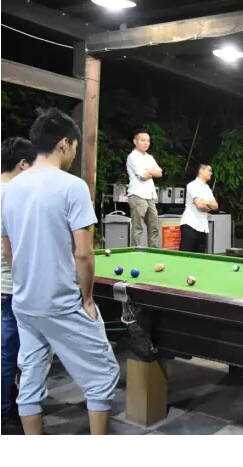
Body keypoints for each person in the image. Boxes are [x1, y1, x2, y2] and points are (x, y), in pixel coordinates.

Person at [1, 108, 120, 435]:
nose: (74, 154)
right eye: (76, 147)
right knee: (103, 376)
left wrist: (25, 284)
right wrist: (88, 298)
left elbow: (9, 251)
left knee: (30, 379)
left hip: (24, 302)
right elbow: (83, 253)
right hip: (61, 301)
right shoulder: (73, 186)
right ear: (64, 144)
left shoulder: (10, 189)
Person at [1, 137, 37, 435]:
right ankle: (5, 416)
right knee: (8, 353)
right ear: (23, 164)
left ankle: (11, 407)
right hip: (11, 286)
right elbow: (11, 247)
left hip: (5, 285)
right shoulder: (10, 194)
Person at [126, 128, 163, 248]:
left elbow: (160, 173)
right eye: (143, 140)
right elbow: (142, 176)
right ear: (135, 141)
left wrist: (149, 172)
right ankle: (136, 252)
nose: (146, 143)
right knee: (137, 227)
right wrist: (152, 172)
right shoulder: (132, 157)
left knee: (154, 227)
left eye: (148, 140)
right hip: (137, 195)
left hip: (150, 196)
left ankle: (154, 252)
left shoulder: (149, 157)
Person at [179, 164, 218, 253]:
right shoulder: (193, 185)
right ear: (201, 170)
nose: (211, 173)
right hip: (190, 225)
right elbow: (199, 205)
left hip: (203, 227)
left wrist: (205, 203)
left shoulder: (207, 188)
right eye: (209, 170)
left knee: (200, 257)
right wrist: (208, 204)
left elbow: (216, 206)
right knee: (185, 255)